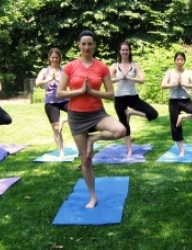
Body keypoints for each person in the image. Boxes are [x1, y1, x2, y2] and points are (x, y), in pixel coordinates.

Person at [56, 30, 126, 208]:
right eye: (83, 43)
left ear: (95, 45)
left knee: (121, 130)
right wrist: (79, 92)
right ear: (78, 45)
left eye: (90, 43)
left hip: (97, 113)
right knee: (86, 159)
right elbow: (59, 93)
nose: (86, 47)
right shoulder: (70, 67)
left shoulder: (101, 67)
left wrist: (92, 92)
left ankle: (93, 138)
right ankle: (93, 196)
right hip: (77, 116)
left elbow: (111, 95)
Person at [109, 42, 158, 155]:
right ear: (119, 52)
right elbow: (108, 80)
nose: (125, 52)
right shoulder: (114, 66)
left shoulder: (135, 65)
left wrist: (130, 78)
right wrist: (121, 78)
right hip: (120, 98)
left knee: (153, 114)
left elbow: (142, 80)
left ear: (129, 51)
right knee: (124, 125)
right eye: (123, 50)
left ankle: (130, 112)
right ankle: (129, 150)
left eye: (127, 50)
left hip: (133, 97)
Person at [161, 51, 192, 156]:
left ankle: (183, 116)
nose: (179, 61)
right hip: (173, 102)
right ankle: (181, 150)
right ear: (174, 61)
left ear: (184, 61)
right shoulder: (170, 72)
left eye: (182, 59)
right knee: (175, 126)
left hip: (186, 101)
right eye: (178, 59)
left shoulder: (188, 72)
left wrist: (183, 84)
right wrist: (174, 84)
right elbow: (163, 85)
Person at [36, 48, 69, 158]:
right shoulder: (45, 71)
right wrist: (48, 79)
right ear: (49, 58)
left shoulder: (64, 70)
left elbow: (70, 84)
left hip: (65, 100)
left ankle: (64, 120)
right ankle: (61, 152)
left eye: (57, 57)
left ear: (60, 58)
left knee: (78, 114)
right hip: (51, 102)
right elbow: (37, 83)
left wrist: (59, 80)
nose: (54, 59)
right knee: (56, 128)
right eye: (52, 57)